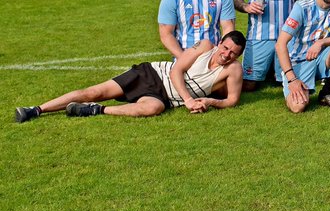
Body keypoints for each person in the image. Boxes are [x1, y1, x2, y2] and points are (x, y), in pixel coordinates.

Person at [15, 32, 246, 123]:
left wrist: (209, 101)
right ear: (219, 44)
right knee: (95, 91)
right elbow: (176, 70)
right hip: (153, 73)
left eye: (232, 53)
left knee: (152, 109)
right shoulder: (205, 45)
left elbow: (231, 101)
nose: (226, 55)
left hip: (164, 98)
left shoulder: (234, 69)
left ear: (238, 55)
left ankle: (94, 110)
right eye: (224, 48)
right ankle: (35, 109)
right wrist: (188, 100)